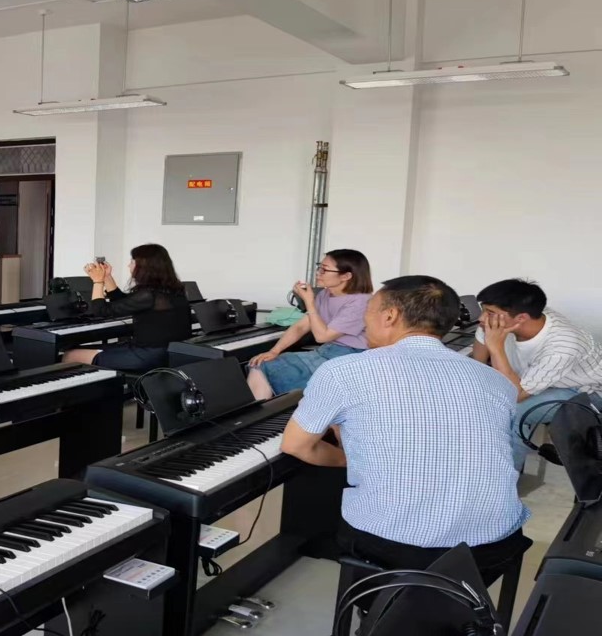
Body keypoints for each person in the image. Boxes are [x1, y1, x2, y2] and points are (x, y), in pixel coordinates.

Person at [280, 275, 529, 582]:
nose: (364, 322)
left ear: (390, 316)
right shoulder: (495, 380)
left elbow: (295, 445)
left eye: (368, 312)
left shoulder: (343, 371)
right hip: (493, 547)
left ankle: (377, 608)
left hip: (397, 547)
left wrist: (347, 459)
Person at [472, 279, 602, 468]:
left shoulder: (562, 346)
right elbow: (478, 360)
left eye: (490, 313)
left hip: (586, 391)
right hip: (539, 379)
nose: (482, 318)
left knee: (512, 414)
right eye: (483, 310)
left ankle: (505, 477)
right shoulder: (510, 319)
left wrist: (496, 347)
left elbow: (516, 394)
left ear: (521, 318)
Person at [247, 249, 374, 400]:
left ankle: (275, 411)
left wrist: (309, 301)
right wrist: (274, 351)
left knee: (273, 369)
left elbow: (322, 336)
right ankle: (260, 413)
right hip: (326, 352)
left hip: (348, 358)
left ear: (346, 276)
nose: (318, 273)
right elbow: (301, 326)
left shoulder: (361, 302)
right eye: (319, 267)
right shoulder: (325, 294)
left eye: (324, 269)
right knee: (260, 363)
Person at [63, 244, 192, 371]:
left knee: (70, 355)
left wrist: (98, 281)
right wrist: (107, 277)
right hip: (165, 354)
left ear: (143, 267)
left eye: (132, 262)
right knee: (81, 349)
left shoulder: (148, 295)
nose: (129, 266)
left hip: (146, 356)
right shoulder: (172, 291)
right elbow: (124, 302)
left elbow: (101, 311)